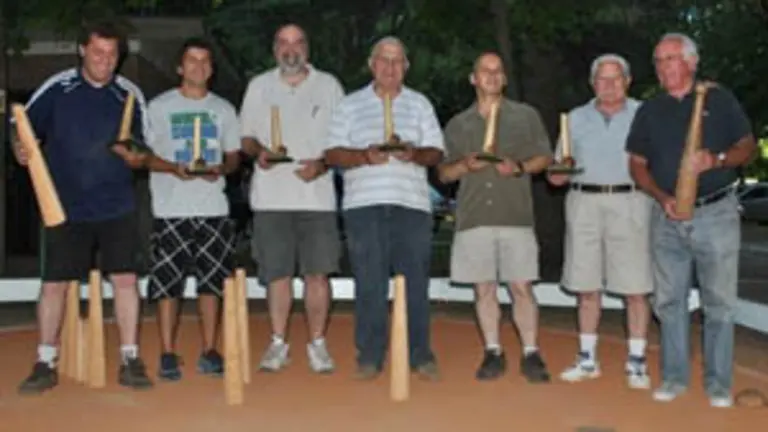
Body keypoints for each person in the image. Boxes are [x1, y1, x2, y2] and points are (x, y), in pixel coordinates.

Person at [12, 21, 154, 394]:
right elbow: (21, 126)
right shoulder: (58, 88)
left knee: (125, 280)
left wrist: (136, 156)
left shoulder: (129, 94)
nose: (105, 60)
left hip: (117, 206)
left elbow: (144, 149)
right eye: (98, 52)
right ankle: (45, 361)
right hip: (64, 208)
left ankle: (130, 358)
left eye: (112, 54)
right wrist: (20, 147)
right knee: (54, 284)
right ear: (82, 51)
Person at [626, 33, 756, 407]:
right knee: (669, 301)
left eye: (671, 58)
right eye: (659, 60)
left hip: (716, 212)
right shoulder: (649, 110)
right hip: (666, 217)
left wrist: (716, 160)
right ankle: (674, 377)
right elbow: (637, 163)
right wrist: (661, 197)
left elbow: (747, 146)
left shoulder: (720, 100)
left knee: (719, 303)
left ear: (691, 62)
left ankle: (718, 384)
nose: (663, 66)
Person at [324, 36, 444, 381]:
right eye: (384, 60)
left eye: (397, 61)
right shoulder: (349, 105)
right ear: (371, 64)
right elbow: (332, 154)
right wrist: (364, 156)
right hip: (364, 205)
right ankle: (370, 355)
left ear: (406, 67)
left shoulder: (420, 104)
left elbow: (436, 152)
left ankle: (419, 354)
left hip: (412, 204)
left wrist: (413, 153)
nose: (390, 67)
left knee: (416, 282)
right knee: (369, 282)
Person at [438, 52, 553, 383]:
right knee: (484, 288)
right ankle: (493, 350)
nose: (491, 76)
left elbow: (545, 158)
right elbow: (443, 174)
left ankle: (531, 352)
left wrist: (519, 167)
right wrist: (464, 166)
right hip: (474, 216)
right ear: (473, 78)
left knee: (521, 286)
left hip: (515, 215)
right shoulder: (458, 124)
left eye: (497, 70)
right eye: (484, 71)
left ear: (504, 78)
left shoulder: (525, 116)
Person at [239, 24, 344, 373]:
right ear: (274, 49)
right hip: (271, 199)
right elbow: (246, 138)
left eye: (297, 42)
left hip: (317, 199)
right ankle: (278, 342)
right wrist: (259, 152)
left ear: (307, 49)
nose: (290, 50)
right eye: (283, 43)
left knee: (318, 276)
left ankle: (317, 343)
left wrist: (323, 164)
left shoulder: (329, 86)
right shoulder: (259, 86)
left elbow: (343, 142)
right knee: (277, 276)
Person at [548, 54, 653, 389]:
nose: (609, 85)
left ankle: (637, 363)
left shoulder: (645, 115)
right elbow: (556, 175)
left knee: (636, 288)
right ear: (592, 83)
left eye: (615, 78)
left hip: (631, 201)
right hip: (584, 203)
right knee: (586, 287)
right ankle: (587, 359)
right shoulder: (575, 119)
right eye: (602, 79)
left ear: (628, 81)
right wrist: (559, 171)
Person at [143, 37, 241, 381]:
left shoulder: (224, 110)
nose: (198, 67)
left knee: (211, 284)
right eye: (192, 60)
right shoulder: (158, 107)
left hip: (213, 208)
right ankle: (167, 353)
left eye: (205, 61)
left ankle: (210, 350)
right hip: (170, 209)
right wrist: (173, 168)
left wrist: (222, 169)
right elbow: (143, 156)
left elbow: (233, 157)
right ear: (179, 67)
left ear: (211, 69)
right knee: (167, 285)